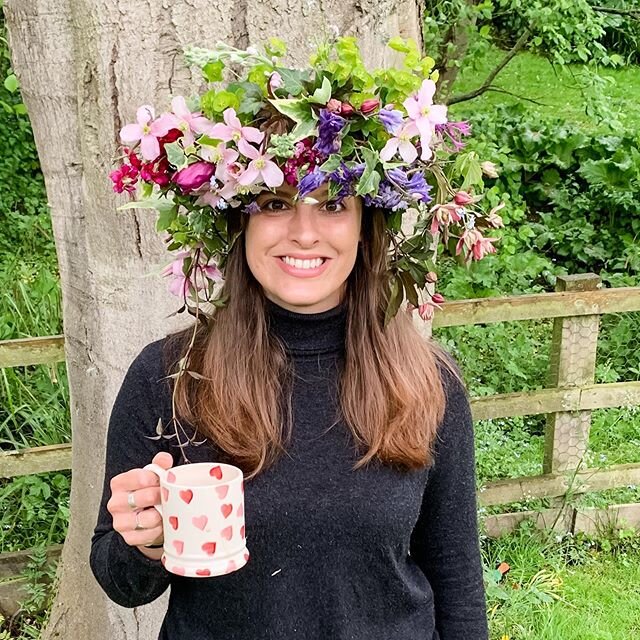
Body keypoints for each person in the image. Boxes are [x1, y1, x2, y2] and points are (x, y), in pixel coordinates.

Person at [92, 37, 494, 640]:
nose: (304, 232)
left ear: (366, 228)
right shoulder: (171, 376)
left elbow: (457, 578)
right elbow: (121, 583)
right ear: (236, 219)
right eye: (275, 202)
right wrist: (141, 540)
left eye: (333, 203)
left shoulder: (427, 382)